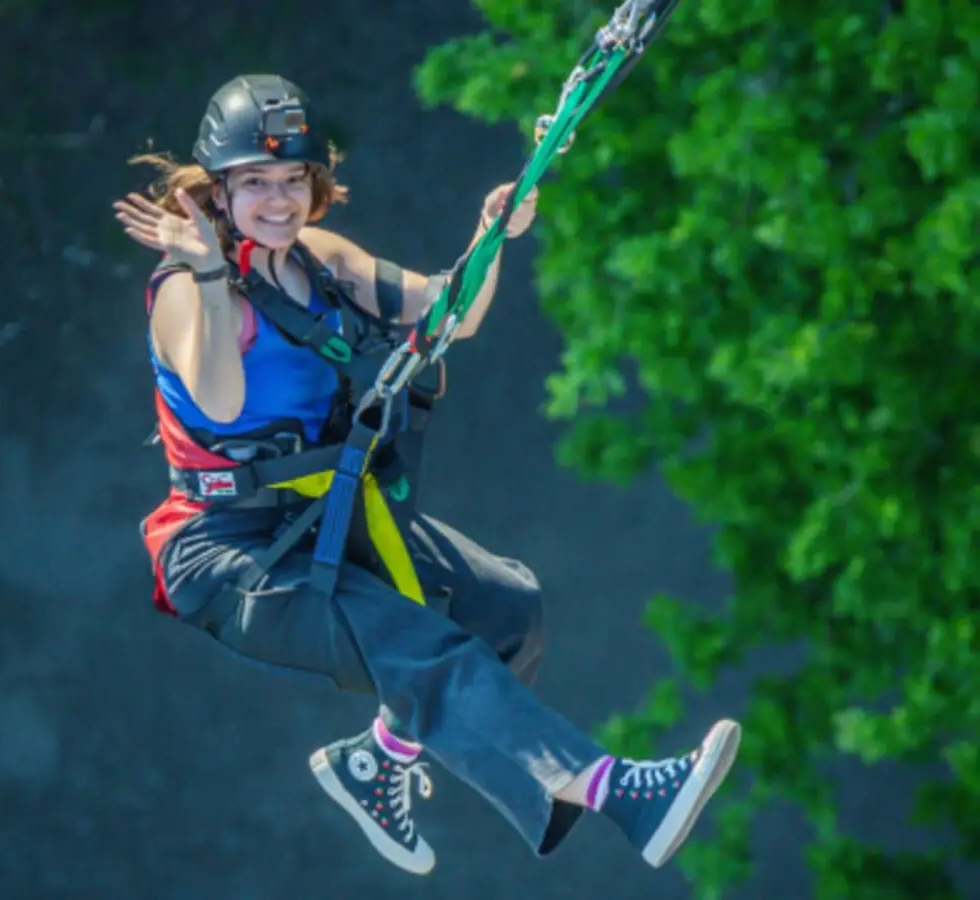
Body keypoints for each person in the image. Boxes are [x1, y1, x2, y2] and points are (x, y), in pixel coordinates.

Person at [113, 73, 740, 877]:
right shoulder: (183, 292)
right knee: (423, 645)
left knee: (507, 606)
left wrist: (492, 235)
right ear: (218, 190)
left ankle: (377, 762)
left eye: (293, 180)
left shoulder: (322, 260)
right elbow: (222, 405)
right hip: (229, 553)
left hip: (322, 518)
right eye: (256, 184)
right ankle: (620, 793)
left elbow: (452, 313)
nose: (279, 200)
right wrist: (204, 271)